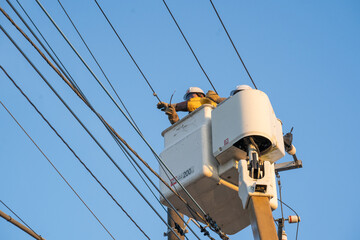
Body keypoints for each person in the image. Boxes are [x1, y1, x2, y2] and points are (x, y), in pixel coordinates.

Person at [157, 87, 224, 124]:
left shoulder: (205, 101)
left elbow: (190, 104)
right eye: (188, 98)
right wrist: (173, 115)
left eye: (191, 95)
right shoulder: (192, 114)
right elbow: (182, 128)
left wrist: (170, 106)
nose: (190, 99)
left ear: (200, 95)